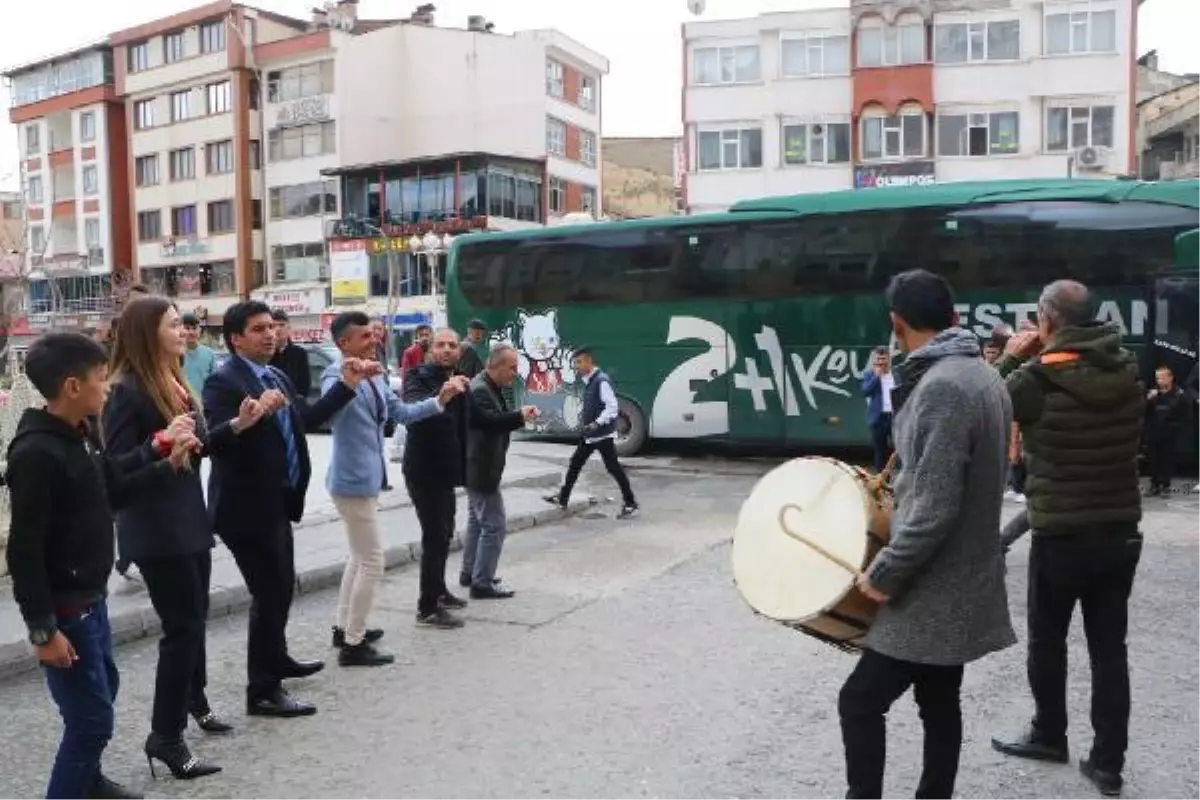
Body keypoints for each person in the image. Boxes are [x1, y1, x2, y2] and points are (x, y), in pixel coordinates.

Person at [840, 269, 1015, 800]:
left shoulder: (943, 388)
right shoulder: (983, 375)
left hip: (932, 585)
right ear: (954, 317)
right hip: (964, 577)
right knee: (940, 702)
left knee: (860, 701)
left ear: (896, 323)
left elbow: (936, 506)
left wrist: (886, 572)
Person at [6, 332, 197, 800]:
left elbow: (111, 489)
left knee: (103, 688)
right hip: (66, 608)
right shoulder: (36, 453)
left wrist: (164, 460)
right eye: (99, 379)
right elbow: (23, 550)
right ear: (72, 386)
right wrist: (42, 630)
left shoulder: (80, 433)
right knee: (91, 722)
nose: (108, 388)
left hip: (92, 596)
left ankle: (89, 784)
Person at [991, 280, 1145, 797]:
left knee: (1047, 641)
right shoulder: (1126, 368)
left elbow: (986, 406)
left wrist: (1014, 357)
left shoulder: (1036, 378)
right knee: (1109, 650)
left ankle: (1049, 734)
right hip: (1121, 532)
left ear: (1049, 319)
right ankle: (1107, 764)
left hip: (1061, 535)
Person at [106, 299, 268, 780]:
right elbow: (115, 473)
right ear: (146, 333)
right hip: (157, 530)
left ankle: (193, 705)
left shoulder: (174, 379)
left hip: (188, 521)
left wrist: (238, 424)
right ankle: (166, 736)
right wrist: (162, 453)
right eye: (174, 324)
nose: (185, 331)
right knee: (182, 630)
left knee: (194, 624)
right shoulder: (126, 391)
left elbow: (197, 446)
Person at [203, 300, 373, 718]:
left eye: (272, 327)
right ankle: (262, 690)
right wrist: (250, 418)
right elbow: (215, 443)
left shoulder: (276, 373)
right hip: (245, 507)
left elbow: (308, 417)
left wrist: (346, 385)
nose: (270, 334)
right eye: (258, 328)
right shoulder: (224, 382)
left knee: (281, 587)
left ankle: (275, 660)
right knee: (269, 592)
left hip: (278, 501)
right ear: (236, 338)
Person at [322, 311, 462, 666]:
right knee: (372, 560)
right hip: (350, 480)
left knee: (358, 557)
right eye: (365, 336)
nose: (374, 340)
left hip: (368, 478)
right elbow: (330, 414)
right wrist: (349, 382)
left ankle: (344, 628)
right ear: (344, 344)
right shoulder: (335, 375)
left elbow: (400, 413)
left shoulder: (374, 374)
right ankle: (353, 644)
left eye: (374, 334)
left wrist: (440, 400)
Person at [403, 328, 472, 629]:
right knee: (434, 536)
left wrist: (515, 417)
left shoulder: (460, 378)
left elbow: (471, 422)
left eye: (452, 346)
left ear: (459, 351)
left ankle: (439, 591)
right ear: (431, 349)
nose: (446, 350)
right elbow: (414, 414)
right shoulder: (418, 377)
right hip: (423, 470)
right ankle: (427, 608)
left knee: (445, 534)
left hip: (446, 471)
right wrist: (443, 394)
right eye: (441, 345)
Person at [460, 345, 537, 598]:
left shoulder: (486, 385)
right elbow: (489, 422)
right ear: (495, 365)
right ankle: (481, 583)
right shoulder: (480, 389)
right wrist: (520, 416)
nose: (515, 373)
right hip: (480, 466)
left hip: (476, 464)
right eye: (512, 367)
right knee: (495, 525)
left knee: (476, 521)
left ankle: (470, 572)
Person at [543, 347, 638, 520]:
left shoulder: (601, 381)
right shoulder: (590, 380)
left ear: (588, 361)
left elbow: (612, 407)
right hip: (591, 435)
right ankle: (563, 498)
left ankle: (630, 502)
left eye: (579, 362)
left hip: (601, 434)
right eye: (575, 363)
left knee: (613, 468)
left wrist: (596, 423)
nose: (576, 366)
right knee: (575, 463)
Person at [1144, 365, 1188, 496]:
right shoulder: (1152, 393)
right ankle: (1154, 485)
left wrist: (1177, 427)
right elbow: (1143, 412)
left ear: (1170, 378)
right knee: (1153, 459)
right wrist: (1148, 400)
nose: (1160, 381)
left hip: (1170, 432)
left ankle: (1165, 485)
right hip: (1153, 431)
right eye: (1157, 378)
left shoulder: (1179, 394)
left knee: (1167, 459)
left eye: (1163, 377)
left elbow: (1185, 414)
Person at [860, 348, 895, 472]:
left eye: (884, 359)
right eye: (878, 359)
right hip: (878, 418)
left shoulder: (895, 374)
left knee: (898, 449)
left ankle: (897, 478)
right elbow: (865, 391)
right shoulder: (870, 374)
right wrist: (876, 377)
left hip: (894, 417)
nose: (881, 362)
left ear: (889, 360)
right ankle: (880, 479)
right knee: (880, 451)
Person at [268, 308, 311, 398]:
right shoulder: (265, 354)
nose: (278, 329)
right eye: (273, 326)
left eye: (281, 325)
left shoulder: (299, 354)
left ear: (289, 328)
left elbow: (304, 386)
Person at [180, 313, 217, 394]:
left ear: (199, 330)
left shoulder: (209, 354)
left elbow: (215, 382)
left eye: (194, 328)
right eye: (187, 328)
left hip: (205, 402)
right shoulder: (176, 354)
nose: (191, 332)